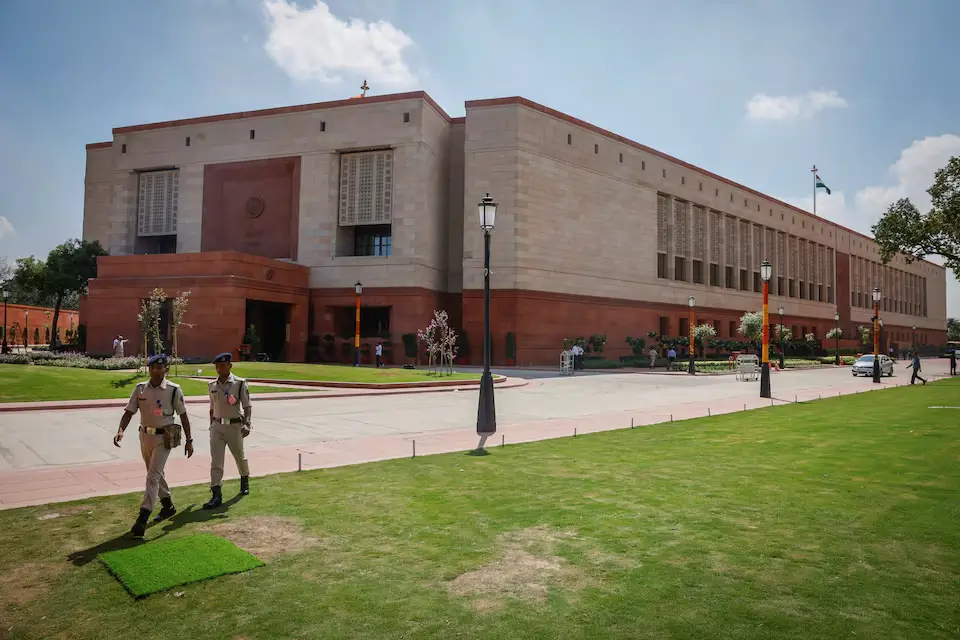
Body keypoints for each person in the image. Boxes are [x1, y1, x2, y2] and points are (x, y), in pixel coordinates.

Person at [113, 354, 193, 538]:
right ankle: (168, 506)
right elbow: (129, 412)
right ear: (149, 369)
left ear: (167, 369)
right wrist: (120, 430)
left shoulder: (174, 390)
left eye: (160, 367)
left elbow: (183, 416)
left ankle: (143, 518)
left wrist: (189, 441)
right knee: (154, 473)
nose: (156, 371)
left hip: (164, 439)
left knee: (152, 476)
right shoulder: (140, 389)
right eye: (153, 368)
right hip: (144, 436)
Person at [203, 352, 252, 509]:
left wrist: (247, 423)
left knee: (239, 456)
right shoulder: (212, 386)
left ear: (230, 366)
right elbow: (212, 407)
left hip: (234, 426)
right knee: (216, 461)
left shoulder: (239, 383)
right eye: (217, 366)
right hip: (217, 427)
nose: (219, 369)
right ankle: (216, 494)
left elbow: (247, 406)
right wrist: (211, 424)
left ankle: (244, 479)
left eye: (222, 365)